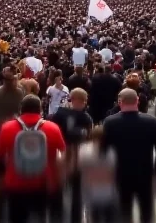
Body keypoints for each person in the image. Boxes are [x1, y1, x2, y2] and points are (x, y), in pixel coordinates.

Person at [0, 94, 67, 223]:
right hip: (44, 182)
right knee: (41, 217)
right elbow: (63, 153)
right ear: (40, 110)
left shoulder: (7, 128)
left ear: (21, 109)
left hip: (15, 182)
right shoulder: (53, 128)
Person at [102, 88, 156, 223]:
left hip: (120, 174)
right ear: (137, 101)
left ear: (120, 102)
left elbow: (103, 150)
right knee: (146, 208)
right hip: (145, 173)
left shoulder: (109, 122)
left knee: (124, 208)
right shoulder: (152, 122)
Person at [50, 87, 93, 223]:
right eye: (83, 101)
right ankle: (75, 218)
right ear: (75, 100)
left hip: (62, 154)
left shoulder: (59, 113)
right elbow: (89, 137)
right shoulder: (85, 117)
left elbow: (52, 131)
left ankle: (57, 216)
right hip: (76, 155)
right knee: (76, 190)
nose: (85, 103)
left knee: (60, 188)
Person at [78, 125, 118, 222]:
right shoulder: (112, 151)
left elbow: (80, 167)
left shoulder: (84, 149)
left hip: (90, 192)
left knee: (94, 217)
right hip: (109, 193)